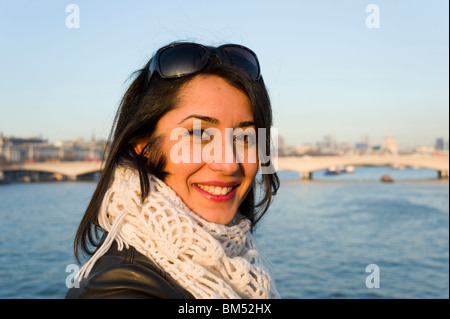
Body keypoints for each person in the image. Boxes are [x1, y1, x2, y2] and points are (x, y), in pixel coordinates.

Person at [66, 41, 280, 299]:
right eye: (199, 133)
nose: (228, 164)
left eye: (245, 138)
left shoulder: (238, 262)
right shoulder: (120, 290)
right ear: (143, 145)